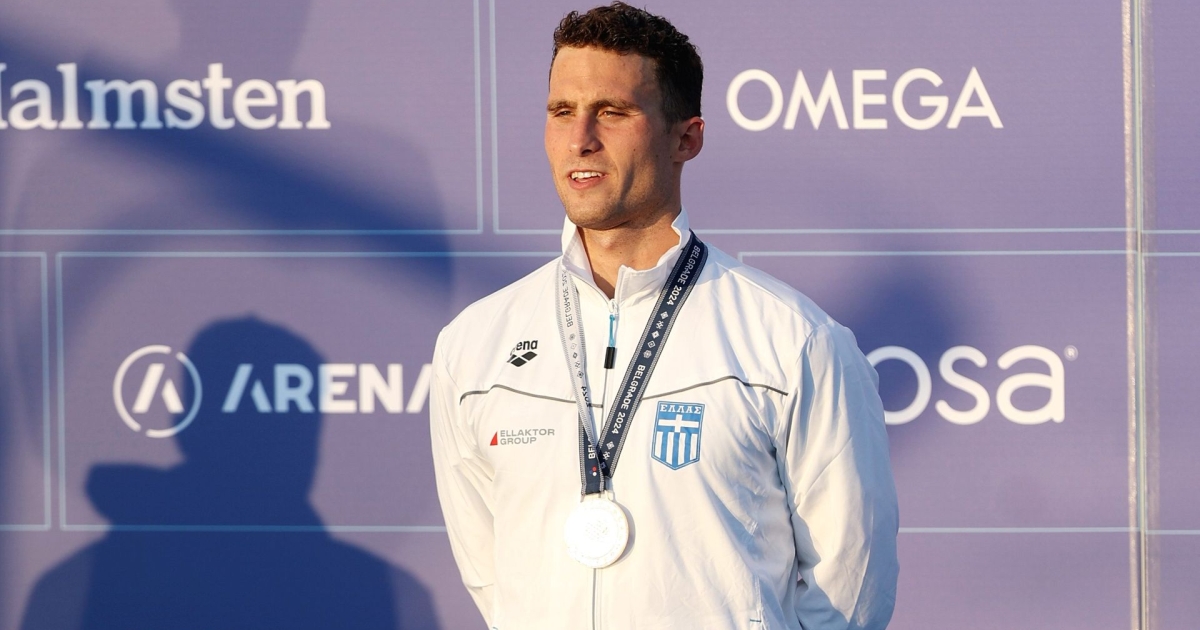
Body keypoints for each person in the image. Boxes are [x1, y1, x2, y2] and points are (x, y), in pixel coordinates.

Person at [430, 3, 898, 628]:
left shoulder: (794, 341)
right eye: (562, 111)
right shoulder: (475, 344)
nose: (579, 139)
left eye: (612, 112)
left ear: (687, 139)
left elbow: (852, 588)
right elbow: (494, 579)